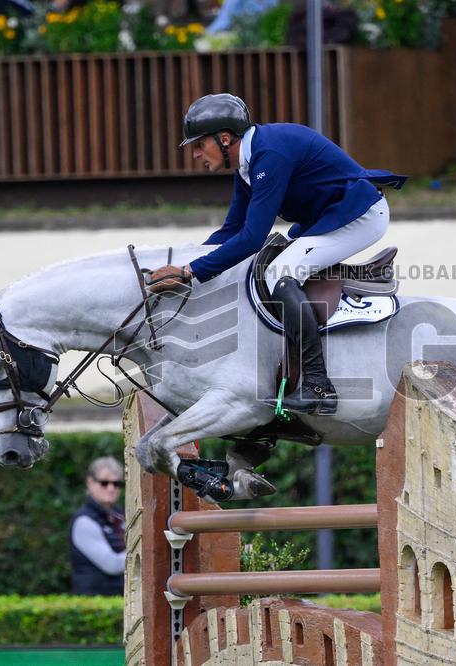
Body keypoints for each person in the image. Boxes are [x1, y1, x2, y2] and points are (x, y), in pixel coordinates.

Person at [148, 93, 406, 416]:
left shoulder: (269, 155)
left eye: (200, 145)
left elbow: (252, 239)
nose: (197, 154)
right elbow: (231, 231)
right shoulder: (248, 163)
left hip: (361, 215)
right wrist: (185, 260)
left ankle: (318, 386)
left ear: (225, 139)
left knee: (279, 273)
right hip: (332, 217)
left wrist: (189, 271)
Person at [69, 456, 126, 595]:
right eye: (104, 483)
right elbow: (111, 564)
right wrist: (147, 552)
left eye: (117, 483)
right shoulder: (84, 522)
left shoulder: (120, 514)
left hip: (119, 601)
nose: (111, 488)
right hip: (96, 603)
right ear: (90, 483)